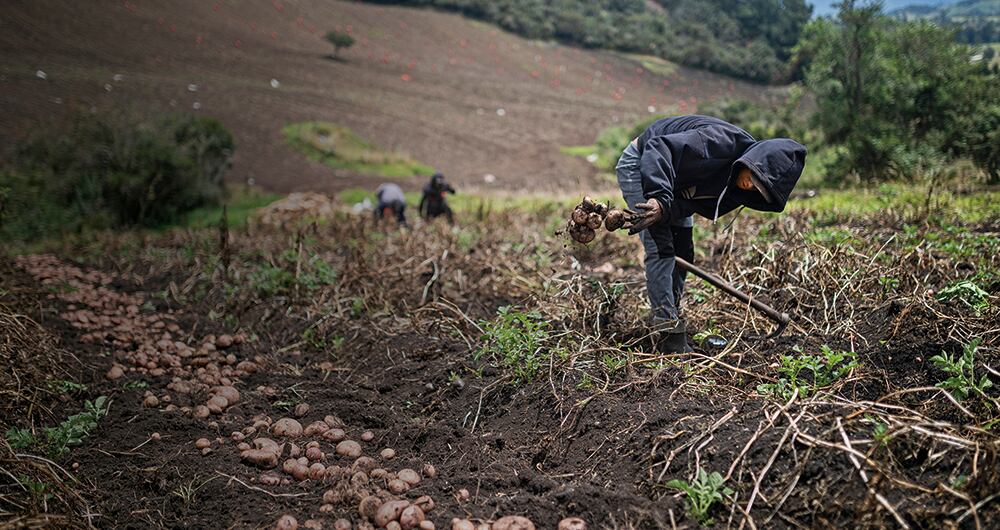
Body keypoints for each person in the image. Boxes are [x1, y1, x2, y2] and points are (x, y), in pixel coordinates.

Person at [616, 115, 806, 353]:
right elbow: (659, 147)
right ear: (753, 162)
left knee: (683, 249)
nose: (750, 186)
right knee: (661, 248)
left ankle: (672, 311)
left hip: (676, 182)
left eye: (760, 189)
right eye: (754, 178)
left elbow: (688, 205)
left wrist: (667, 207)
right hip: (643, 161)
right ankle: (668, 332)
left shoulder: (737, 192)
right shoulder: (720, 143)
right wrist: (659, 199)